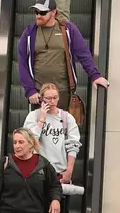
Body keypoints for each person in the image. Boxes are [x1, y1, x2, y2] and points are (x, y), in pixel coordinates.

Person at [19, 0, 109, 108]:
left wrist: (95, 76)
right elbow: (22, 63)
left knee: (62, 124)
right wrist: (30, 90)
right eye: (36, 12)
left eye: (42, 13)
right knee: (40, 124)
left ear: (53, 12)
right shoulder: (29, 33)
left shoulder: (67, 29)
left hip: (62, 91)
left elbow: (83, 53)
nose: (38, 16)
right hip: (39, 93)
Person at [23, 83, 82, 213]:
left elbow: (73, 144)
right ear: (42, 98)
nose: (52, 101)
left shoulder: (67, 118)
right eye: (48, 98)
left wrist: (69, 170)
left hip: (59, 173)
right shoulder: (33, 116)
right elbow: (29, 142)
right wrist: (42, 119)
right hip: (38, 172)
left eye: (55, 97)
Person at [0, 128, 63, 213]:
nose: (17, 146)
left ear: (31, 143)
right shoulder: (4, 163)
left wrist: (56, 199)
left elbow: (55, 186)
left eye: (21, 142)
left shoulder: (43, 164)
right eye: (14, 142)